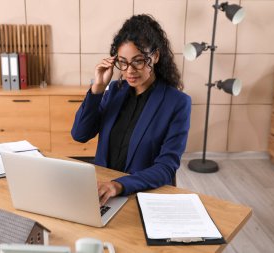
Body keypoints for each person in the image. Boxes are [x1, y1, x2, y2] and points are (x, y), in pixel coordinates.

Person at [71, 14, 191, 205]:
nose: (129, 70)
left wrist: (119, 185)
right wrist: (97, 89)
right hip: (101, 192)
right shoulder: (114, 92)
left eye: (138, 61)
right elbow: (79, 134)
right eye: (123, 62)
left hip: (142, 195)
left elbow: (166, 167)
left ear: (156, 56)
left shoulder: (177, 103)